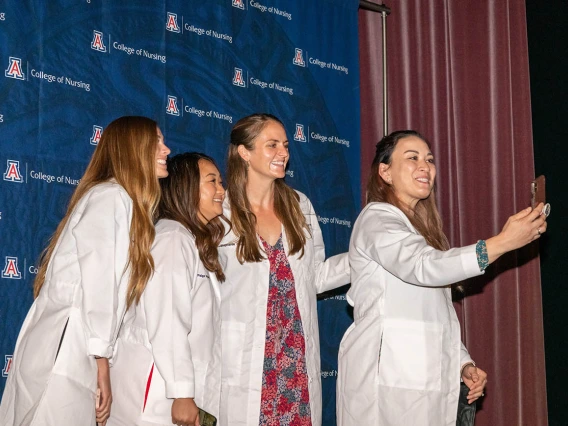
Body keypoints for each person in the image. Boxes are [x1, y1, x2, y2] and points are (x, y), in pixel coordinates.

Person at [336, 130, 548, 426]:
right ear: (385, 172)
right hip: (386, 385)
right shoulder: (377, 219)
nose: (425, 166)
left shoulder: (419, 232)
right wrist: (502, 243)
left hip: (425, 382)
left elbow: (434, 314)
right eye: (412, 158)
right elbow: (423, 267)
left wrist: (462, 363)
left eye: (430, 159)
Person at [0, 116, 170, 425]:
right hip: (68, 347)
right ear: (134, 149)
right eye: (156, 142)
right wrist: (101, 362)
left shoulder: (119, 200)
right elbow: (99, 285)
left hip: (76, 347)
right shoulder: (111, 198)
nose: (166, 149)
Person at [218, 113, 350, 426]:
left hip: (294, 353)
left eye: (286, 145)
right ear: (244, 152)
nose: (284, 153)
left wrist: (365, 256)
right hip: (246, 355)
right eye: (272, 144)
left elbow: (316, 277)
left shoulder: (298, 204)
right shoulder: (221, 209)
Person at [107, 152, 226, 426]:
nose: (222, 190)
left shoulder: (186, 239)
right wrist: (182, 392)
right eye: (212, 181)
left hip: (169, 385)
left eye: (221, 182)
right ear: (186, 187)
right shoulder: (173, 238)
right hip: (157, 388)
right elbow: (168, 319)